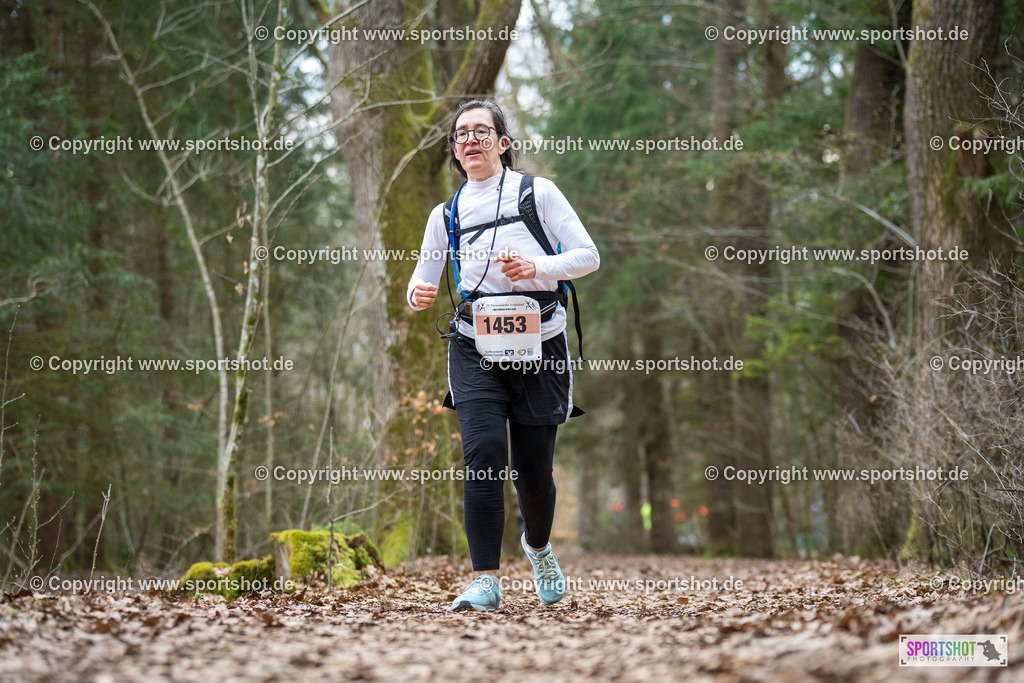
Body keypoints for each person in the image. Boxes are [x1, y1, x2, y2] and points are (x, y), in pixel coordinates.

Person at [407, 100, 600, 611]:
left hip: (542, 343)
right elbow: (422, 279)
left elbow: (587, 256)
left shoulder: (538, 193)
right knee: (485, 455)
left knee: (533, 472)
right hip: (475, 346)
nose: (471, 140)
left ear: (503, 142)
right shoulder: (444, 215)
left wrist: (536, 266)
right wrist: (417, 295)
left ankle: (537, 548)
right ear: (454, 150)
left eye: (481, 131)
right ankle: (485, 579)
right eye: (461, 134)